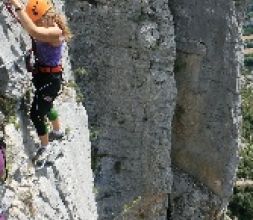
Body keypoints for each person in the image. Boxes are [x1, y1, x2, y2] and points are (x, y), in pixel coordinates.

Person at [9, 0, 72, 164]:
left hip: (50, 80)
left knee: (36, 114)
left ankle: (46, 146)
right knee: (47, 105)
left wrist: (16, 6)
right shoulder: (47, 26)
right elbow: (31, 26)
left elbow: (33, 31)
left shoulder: (55, 32)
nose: (36, 22)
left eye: (37, 20)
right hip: (46, 77)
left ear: (45, 17)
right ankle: (57, 131)